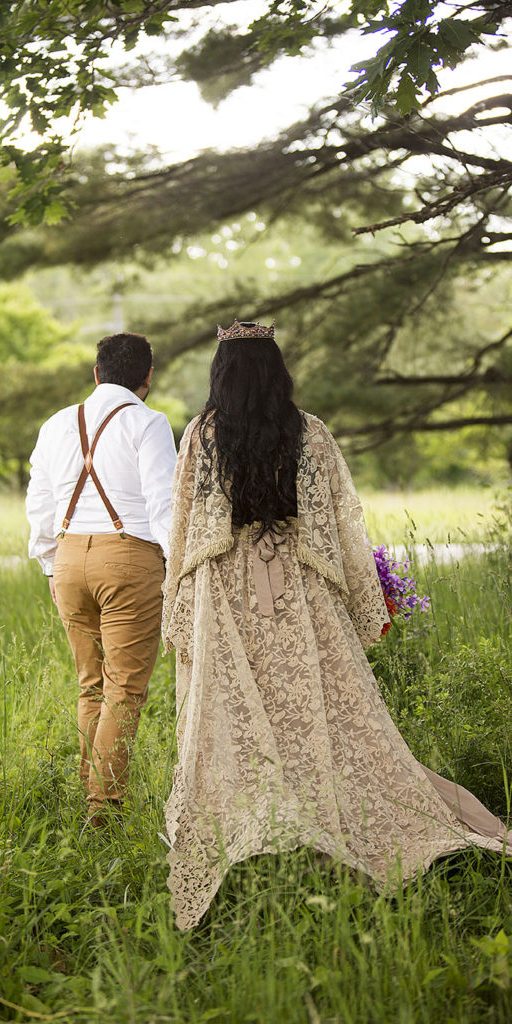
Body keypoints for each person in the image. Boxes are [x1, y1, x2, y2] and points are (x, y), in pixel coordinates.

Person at [162, 319, 510, 930]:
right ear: (277, 370)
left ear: (222, 372)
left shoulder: (203, 434)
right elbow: (341, 526)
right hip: (298, 585)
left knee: (247, 708)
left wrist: (181, 608)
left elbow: (187, 528)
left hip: (229, 590)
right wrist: (362, 600)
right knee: (314, 703)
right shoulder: (309, 432)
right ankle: (313, 820)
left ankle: (273, 823)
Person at [26, 332, 177, 825]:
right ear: (147, 378)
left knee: (90, 685)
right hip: (129, 560)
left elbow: (40, 504)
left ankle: (89, 792)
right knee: (125, 689)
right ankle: (104, 808)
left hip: (69, 558)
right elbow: (164, 504)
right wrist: (177, 567)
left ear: (97, 373)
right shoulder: (148, 423)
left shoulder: (54, 424)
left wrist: (51, 563)